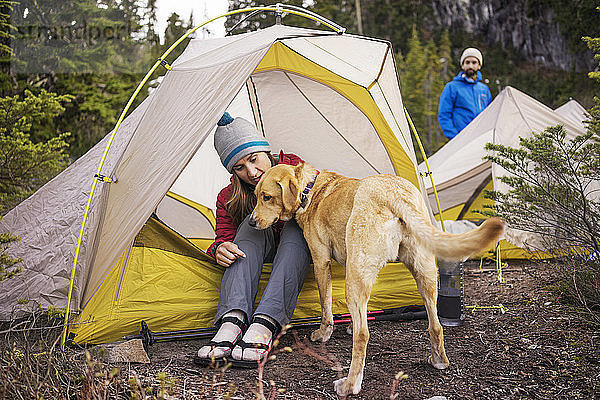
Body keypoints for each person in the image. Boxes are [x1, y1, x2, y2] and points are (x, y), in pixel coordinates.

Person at [194, 112, 311, 368]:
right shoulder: (229, 196)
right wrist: (219, 248)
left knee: (298, 226)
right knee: (249, 226)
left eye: (254, 159)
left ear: (265, 151)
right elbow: (223, 237)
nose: (251, 171)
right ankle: (233, 320)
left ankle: (265, 322)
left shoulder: (294, 171)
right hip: (258, 250)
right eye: (239, 167)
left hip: (296, 251)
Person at [438, 47, 492, 140]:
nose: (470, 66)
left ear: (479, 66)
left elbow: (490, 115)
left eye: (474, 62)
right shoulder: (452, 87)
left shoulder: (484, 89)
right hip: (460, 139)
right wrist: (455, 138)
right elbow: (444, 115)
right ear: (462, 65)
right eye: (467, 62)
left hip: (481, 139)